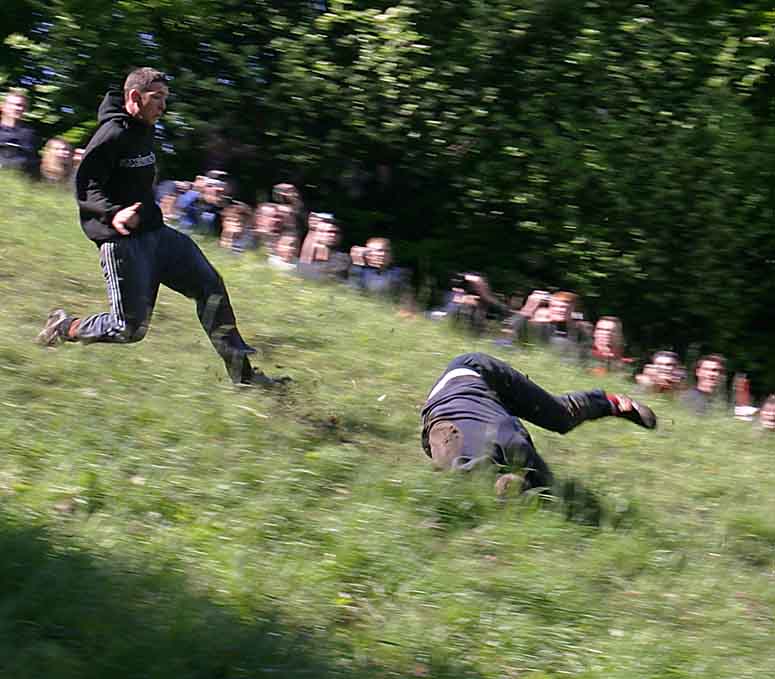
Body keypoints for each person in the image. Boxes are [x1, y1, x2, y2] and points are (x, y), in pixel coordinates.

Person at [36, 67, 285, 386]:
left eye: (166, 98)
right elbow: (87, 183)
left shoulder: (145, 128)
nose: (163, 106)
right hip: (122, 242)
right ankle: (64, 326)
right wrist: (113, 213)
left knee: (210, 288)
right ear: (134, 97)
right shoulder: (112, 133)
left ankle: (244, 377)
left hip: (157, 234)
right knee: (129, 329)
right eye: (157, 98)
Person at [421, 352, 657, 494]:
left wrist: (538, 486)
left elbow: (545, 486)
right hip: (442, 405)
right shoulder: (454, 468)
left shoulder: (508, 441)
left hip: (475, 372)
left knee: (560, 417)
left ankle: (610, 402)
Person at [0, 89, 38, 176]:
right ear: (3, 106)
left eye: (22, 106)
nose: (19, 108)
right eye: (15, 105)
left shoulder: (30, 135)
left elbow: (33, 162)